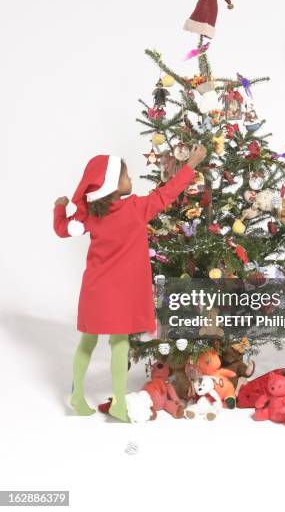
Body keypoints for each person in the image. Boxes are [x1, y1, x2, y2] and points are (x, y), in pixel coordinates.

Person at [53, 144, 207, 421]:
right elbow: (168, 193)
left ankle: (76, 396)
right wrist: (192, 162)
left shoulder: (90, 214)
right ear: (112, 184)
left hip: (95, 290)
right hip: (120, 294)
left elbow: (63, 229)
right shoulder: (136, 207)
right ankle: (119, 405)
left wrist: (60, 208)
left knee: (87, 342)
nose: (131, 179)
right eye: (125, 176)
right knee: (119, 344)